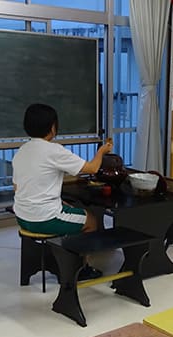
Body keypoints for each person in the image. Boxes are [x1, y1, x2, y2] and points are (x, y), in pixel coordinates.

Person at [12, 103, 112, 280]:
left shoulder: (21, 151)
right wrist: (102, 151)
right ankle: (80, 269)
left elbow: (17, 188)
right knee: (91, 220)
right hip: (43, 219)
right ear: (52, 127)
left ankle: (64, 255)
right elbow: (92, 168)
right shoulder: (53, 150)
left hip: (22, 217)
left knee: (69, 209)